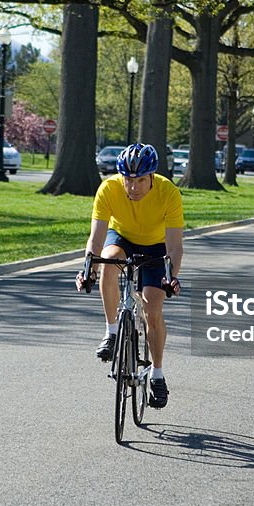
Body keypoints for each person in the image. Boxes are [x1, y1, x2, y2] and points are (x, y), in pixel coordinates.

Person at [75, 143, 184, 409]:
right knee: (109, 262)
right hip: (122, 237)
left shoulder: (168, 192)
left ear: (152, 178)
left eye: (140, 181)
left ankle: (157, 375)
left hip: (157, 247)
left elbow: (174, 246)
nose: (133, 187)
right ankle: (112, 332)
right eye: (128, 180)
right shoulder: (109, 189)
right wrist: (89, 269)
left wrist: (172, 276)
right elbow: (96, 238)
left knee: (152, 311)